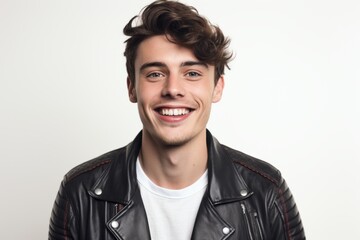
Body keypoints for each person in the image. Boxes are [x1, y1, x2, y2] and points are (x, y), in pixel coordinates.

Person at [49, 0, 305, 239]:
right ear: (132, 88)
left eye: (192, 73)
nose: (173, 88)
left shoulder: (267, 192)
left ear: (217, 88)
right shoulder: (80, 192)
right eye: (155, 74)